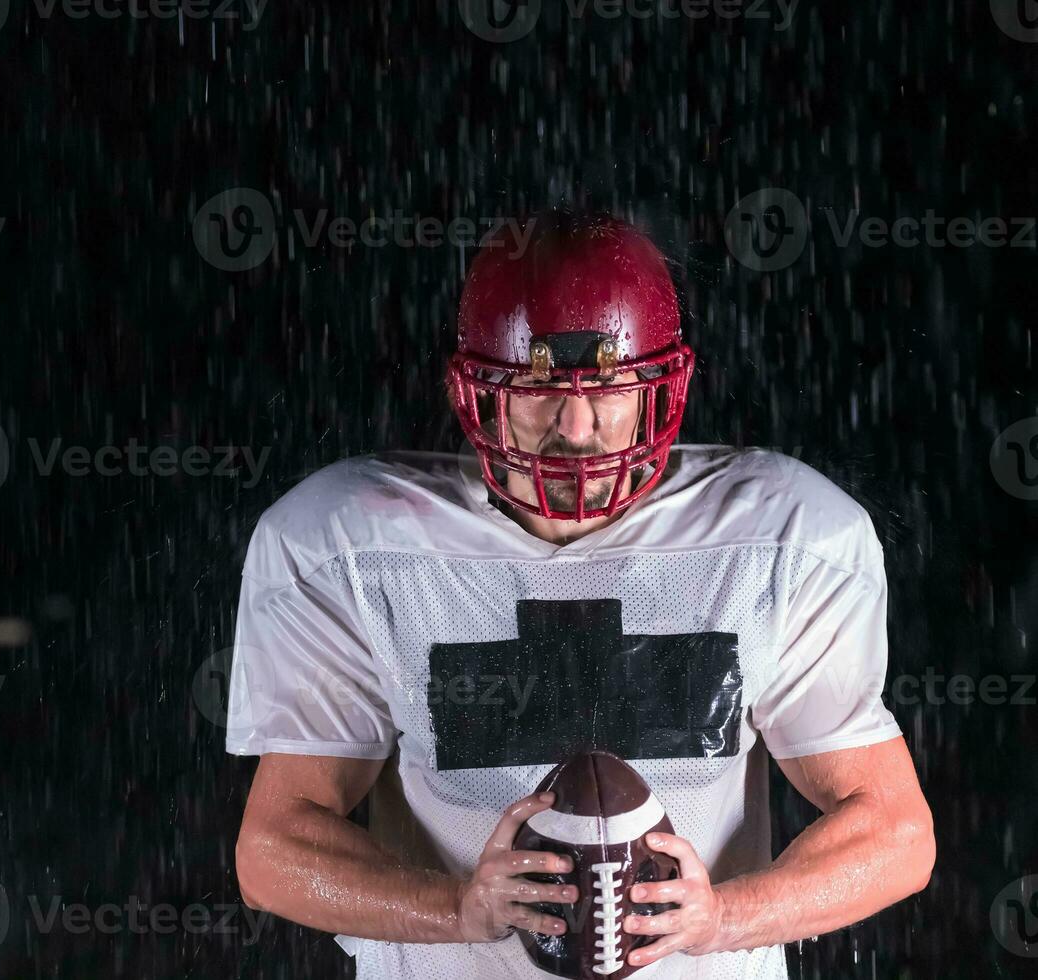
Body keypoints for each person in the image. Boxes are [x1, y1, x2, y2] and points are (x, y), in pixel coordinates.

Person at [226, 211, 935, 978]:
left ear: (661, 387)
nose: (576, 423)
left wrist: (724, 916)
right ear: (471, 390)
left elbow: (895, 834)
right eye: (536, 385)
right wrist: (457, 910)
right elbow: (272, 853)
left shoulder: (783, 541)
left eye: (608, 383)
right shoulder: (353, 545)